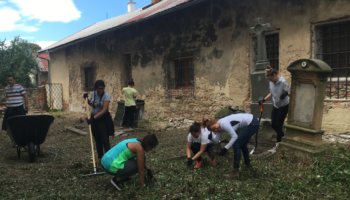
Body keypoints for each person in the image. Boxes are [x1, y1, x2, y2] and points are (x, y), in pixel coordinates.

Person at [203, 113, 260, 178]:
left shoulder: (223, 123)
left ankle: (235, 171)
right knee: (242, 144)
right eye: (213, 130)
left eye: (214, 127)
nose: (216, 130)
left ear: (216, 122)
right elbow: (216, 141)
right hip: (252, 122)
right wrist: (211, 138)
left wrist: (225, 148)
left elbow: (234, 137)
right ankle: (248, 165)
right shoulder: (219, 126)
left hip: (252, 123)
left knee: (237, 144)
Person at [259, 65, 290, 153]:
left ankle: (278, 146)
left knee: (278, 125)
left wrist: (286, 94)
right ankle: (283, 137)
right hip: (276, 105)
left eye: (270, 79)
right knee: (273, 124)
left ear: (275, 75)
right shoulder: (271, 82)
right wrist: (264, 99)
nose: (270, 81)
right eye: (268, 79)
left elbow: (290, 91)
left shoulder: (283, 82)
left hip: (284, 105)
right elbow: (272, 93)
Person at [83, 80, 114, 164]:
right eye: (99, 89)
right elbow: (92, 104)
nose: (101, 90)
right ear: (95, 88)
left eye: (102, 89)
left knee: (105, 140)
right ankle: (100, 158)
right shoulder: (93, 94)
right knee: (97, 139)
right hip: (94, 119)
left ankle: (109, 160)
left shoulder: (106, 96)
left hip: (102, 120)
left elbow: (104, 110)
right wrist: (87, 99)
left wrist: (94, 118)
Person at [1, 75, 28, 148]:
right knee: (12, 126)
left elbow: (25, 96)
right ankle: (16, 141)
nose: (9, 81)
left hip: (19, 109)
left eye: (11, 80)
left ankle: (24, 140)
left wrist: (26, 107)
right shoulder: (6, 88)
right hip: (10, 109)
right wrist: (5, 106)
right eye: (8, 80)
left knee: (21, 125)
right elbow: (8, 97)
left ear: (14, 80)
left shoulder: (19, 87)